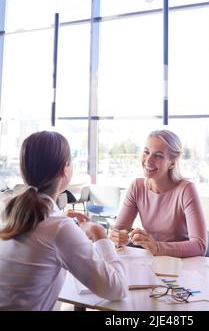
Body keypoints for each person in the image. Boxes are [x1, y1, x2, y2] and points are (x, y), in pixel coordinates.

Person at [0, 131, 127, 311]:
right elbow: (117, 288)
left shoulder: (9, 211)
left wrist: (63, 221)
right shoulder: (58, 227)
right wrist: (99, 234)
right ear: (65, 169)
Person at [111, 129, 207, 258]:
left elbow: (199, 246)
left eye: (158, 155)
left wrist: (156, 247)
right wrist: (117, 237)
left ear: (172, 163)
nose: (148, 160)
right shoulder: (137, 186)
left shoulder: (186, 189)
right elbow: (117, 231)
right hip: (152, 261)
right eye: (146, 152)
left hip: (181, 264)